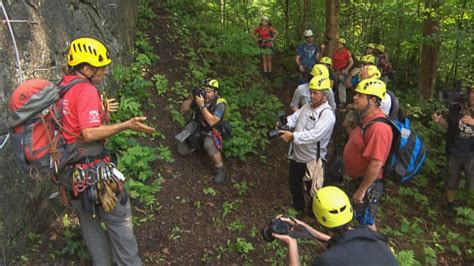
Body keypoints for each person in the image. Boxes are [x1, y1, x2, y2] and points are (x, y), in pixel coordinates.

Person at [60, 37, 155, 265]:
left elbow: (71, 125)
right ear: (86, 68)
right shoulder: (86, 90)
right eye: (101, 66)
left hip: (71, 172)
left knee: (90, 224)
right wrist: (126, 125)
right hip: (92, 170)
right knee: (120, 220)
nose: (105, 70)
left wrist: (103, 113)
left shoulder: (64, 86)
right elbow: (89, 133)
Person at [272, 186, 399, 266]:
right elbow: (339, 242)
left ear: (319, 220)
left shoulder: (329, 261)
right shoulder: (375, 239)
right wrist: (303, 227)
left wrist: (291, 244)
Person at [280, 75, 336, 214]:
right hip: (297, 156)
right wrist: (285, 123)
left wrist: (293, 136)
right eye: (311, 92)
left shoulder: (327, 114)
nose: (312, 95)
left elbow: (315, 134)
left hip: (312, 160)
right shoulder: (306, 106)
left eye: (315, 93)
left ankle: (313, 215)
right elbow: (294, 118)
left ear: (325, 94)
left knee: (314, 190)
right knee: (294, 184)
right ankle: (298, 208)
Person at [343, 78, 393, 231]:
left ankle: (374, 250)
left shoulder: (379, 128)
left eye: (360, 95)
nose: (355, 97)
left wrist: (362, 190)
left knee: (366, 223)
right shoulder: (367, 119)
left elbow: (376, 164)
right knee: (356, 218)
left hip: (367, 184)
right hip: (357, 179)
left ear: (372, 100)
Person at [432, 86, 474, 218]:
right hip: (455, 151)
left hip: (472, 154)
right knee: (451, 180)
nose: (473, 96)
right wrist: (440, 121)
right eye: (473, 92)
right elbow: (451, 127)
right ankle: (450, 205)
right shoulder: (459, 107)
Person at [179, 78, 229, 184]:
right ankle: (197, 145)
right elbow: (183, 110)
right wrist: (191, 98)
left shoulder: (220, 104)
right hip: (198, 127)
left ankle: (220, 169)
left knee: (209, 144)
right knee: (181, 149)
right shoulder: (199, 99)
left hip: (213, 130)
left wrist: (202, 106)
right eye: (204, 90)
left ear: (216, 93)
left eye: (209, 92)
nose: (206, 94)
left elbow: (212, 122)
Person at [332, 37, 354, 108]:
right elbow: (333, 62)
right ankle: (335, 100)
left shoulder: (346, 52)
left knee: (342, 86)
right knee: (335, 86)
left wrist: (346, 69)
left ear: (343, 45)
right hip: (336, 71)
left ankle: (342, 102)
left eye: (340, 44)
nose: (338, 45)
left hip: (343, 71)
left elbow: (351, 62)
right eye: (338, 43)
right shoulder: (335, 52)